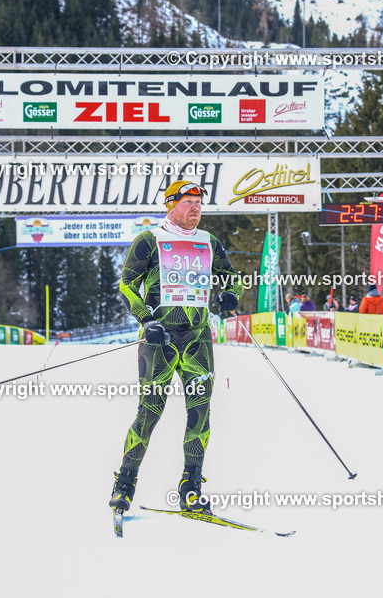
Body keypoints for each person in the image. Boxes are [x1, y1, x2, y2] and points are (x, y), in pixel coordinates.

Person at [109, 180, 243, 515]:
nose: (196, 208)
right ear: (171, 204)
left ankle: (191, 486)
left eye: (200, 203)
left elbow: (233, 277)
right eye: (189, 202)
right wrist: (145, 319)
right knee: (149, 413)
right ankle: (125, 484)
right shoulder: (150, 240)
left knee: (200, 412)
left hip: (198, 339)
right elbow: (127, 284)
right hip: (160, 340)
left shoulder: (209, 242)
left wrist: (231, 295)